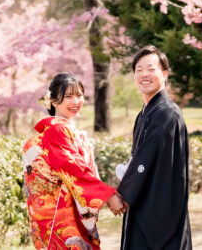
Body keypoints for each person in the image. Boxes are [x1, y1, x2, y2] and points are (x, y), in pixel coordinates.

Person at [23, 73, 126, 249]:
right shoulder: (57, 130)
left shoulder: (66, 130)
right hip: (60, 217)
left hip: (65, 214)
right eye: (68, 96)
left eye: (79, 95)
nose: (76, 101)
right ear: (53, 101)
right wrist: (108, 196)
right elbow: (73, 169)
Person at [116, 46, 192, 250]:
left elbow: (145, 160)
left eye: (151, 69)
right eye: (139, 70)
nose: (144, 74)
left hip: (160, 210)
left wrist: (122, 194)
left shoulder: (167, 113)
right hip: (146, 204)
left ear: (164, 74)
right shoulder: (146, 113)